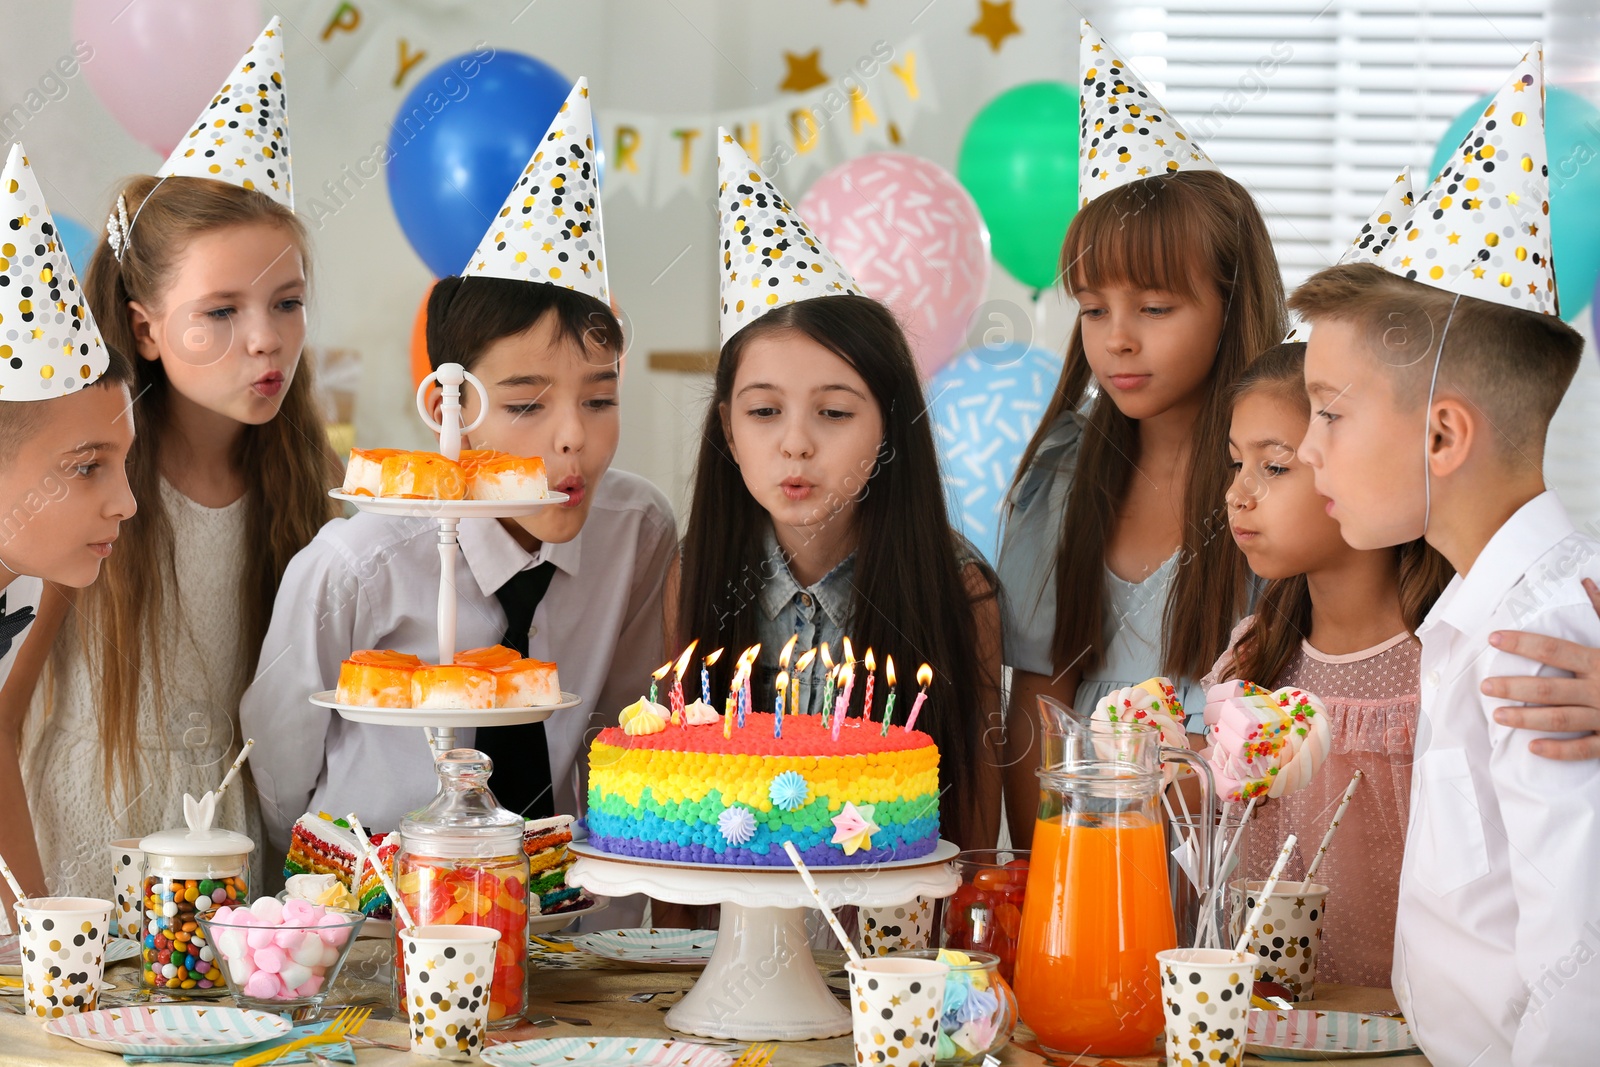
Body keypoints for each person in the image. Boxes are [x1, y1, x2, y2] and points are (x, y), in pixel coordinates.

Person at [241, 82, 674, 914]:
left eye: (599, 397)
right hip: (380, 921)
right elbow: (279, 770)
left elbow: (620, 738)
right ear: (451, 412)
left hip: (561, 931)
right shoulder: (356, 569)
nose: (571, 438)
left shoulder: (638, 530)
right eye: (524, 404)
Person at [1292, 49, 1599, 1064]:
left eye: (1329, 413)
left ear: (1440, 438)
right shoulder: (1477, 609)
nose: (1305, 449)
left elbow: (1579, 973)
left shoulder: (1544, 639)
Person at [22, 21, 338, 899]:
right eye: (221, 312)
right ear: (144, 328)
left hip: (231, 864)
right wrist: (32, 922)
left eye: (286, 302)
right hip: (83, 857)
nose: (267, 341)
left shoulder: (303, 493)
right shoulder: (90, 491)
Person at [667, 131, 1004, 851]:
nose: (795, 443)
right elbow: (679, 823)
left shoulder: (958, 591)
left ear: (889, 429)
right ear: (728, 430)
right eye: (764, 412)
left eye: (834, 411)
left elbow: (972, 838)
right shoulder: (694, 577)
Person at [997, 21, 1285, 845]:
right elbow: (1037, 696)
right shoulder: (1061, 472)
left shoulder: (1281, 480)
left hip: (1228, 848)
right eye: (1094, 309)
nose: (1117, 338)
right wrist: (1042, 865)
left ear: (1231, 305)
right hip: (1087, 847)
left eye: (1155, 308)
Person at [1202, 342, 1451, 986]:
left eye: (1275, 468)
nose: (1237, 494)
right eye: (1235, 463)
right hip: (1265, 1027)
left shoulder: (1444, 664)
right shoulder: (1254, 657)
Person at [0, 145, 138, 909]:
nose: (126, 502)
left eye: (125, 463)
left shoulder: (45, 584)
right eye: (89, 466)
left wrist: (29, 939)